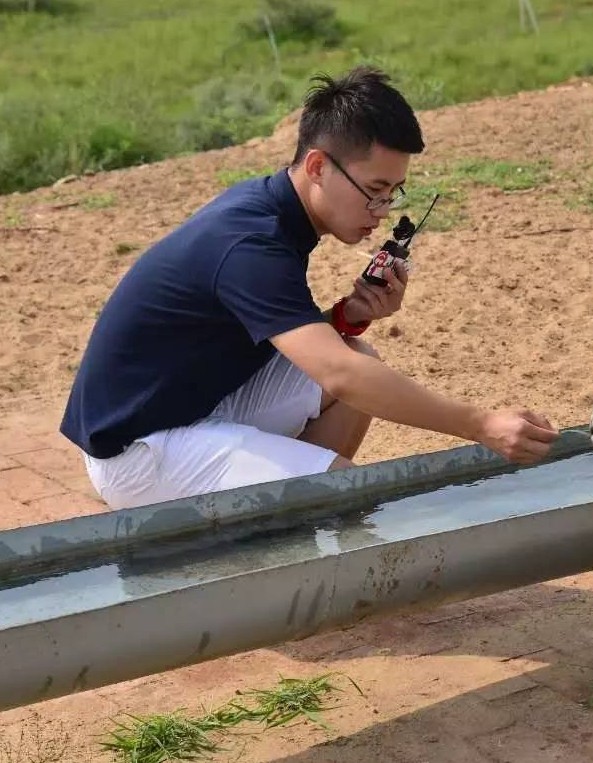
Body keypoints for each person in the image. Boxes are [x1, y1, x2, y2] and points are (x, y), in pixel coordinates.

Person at [59, 65, 559, 510]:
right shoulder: (251, 244)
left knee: (358, 353)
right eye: (374, 190)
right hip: (136, 451)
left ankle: (295, 515)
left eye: (392, 193)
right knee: (346, 479)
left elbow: (301, 348)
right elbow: (338, 373)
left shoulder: (271, 207)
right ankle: (301, 516)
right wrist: (481, 425)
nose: (382, 211)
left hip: (190, 405)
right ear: (319, 166)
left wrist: (348, 317)